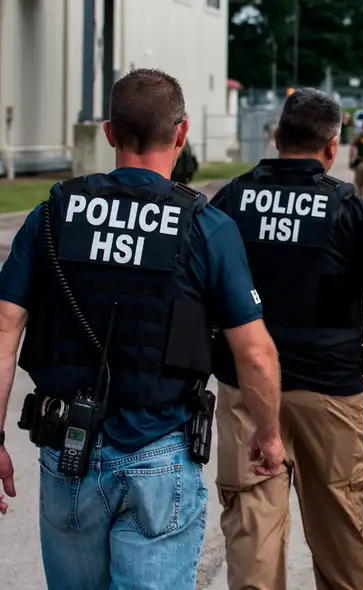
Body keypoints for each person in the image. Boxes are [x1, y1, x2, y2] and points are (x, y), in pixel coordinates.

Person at [0, 68, 284, 589]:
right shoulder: (206, 226)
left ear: (110, 133)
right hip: (158, 451)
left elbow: (4, 327)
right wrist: (267, 433)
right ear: (181, 132)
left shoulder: (52, 215)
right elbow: (256, 354)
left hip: (68, 449)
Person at [210, 88, 363, 590]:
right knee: (341, 539)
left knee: (252, 535)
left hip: (246, 390)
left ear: (277, 137)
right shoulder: (347, 209)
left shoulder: (231, 200)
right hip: (328, 393)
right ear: (333, 146)